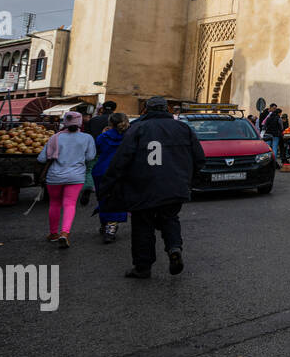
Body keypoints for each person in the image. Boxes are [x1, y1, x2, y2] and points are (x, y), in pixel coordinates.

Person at [98, 96, 204, 279]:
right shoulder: (183, 128)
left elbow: (121, 160)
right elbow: (199, 159)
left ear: (146, 109)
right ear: (166, 109)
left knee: (142, 225)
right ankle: (174, 248)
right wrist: (187, 179)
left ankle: (143, 266)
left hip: (142, 186)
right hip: (174, 185)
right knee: (170, 218)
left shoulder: (137, 128)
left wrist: (107, 185)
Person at [35, 111, 96, 249]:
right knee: (70, 204)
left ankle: (53, 233)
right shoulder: (87, 138)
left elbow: (42, 159)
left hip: (55, 177)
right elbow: (90, 157)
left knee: (55, 204)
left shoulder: (55, 137)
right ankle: (65, 233)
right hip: (76, 176)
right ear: (80, 123)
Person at [90, 112, 129, 243]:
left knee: (103, 197)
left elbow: (97, 150)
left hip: (102, 170)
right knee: (118, 199)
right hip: (121, 171)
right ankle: (111, 226)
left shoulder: (103, 137)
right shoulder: (129, 137)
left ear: (110, 123)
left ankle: (105, 223)